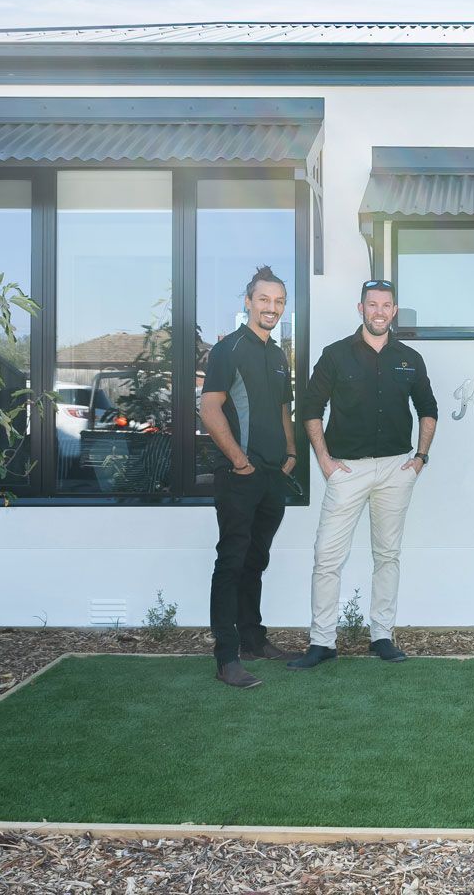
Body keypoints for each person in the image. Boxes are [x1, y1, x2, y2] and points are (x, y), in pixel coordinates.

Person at [289, 279, 438, 669]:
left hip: (395, 469)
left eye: (386, 305)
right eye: (372, 305)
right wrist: (323, 459)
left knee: (387, 555)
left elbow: (428, 409)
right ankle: (322, 642)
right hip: (346, 470)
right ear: (361, 309)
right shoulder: (335, 355)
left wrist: (420, 458)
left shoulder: (409, 358)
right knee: (327, 557)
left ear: (394, 311)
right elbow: (309, 408)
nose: (379, 312)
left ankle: (382, 636)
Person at [200, 266, 301, 689]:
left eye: (278, 301)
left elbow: (282, 409)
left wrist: (292, 452)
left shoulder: (278, 355)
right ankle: (227, 657)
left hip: (273, 476)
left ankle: (254, 639)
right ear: (248, 302)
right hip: (239, 477)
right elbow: (208, 408)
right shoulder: (229, 350)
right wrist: (239, 460)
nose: (271, 308)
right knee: (232, 562)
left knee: (257, 560)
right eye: (264, 300)